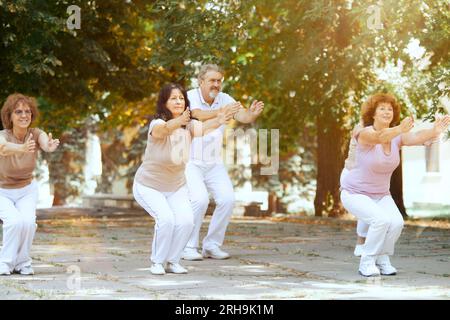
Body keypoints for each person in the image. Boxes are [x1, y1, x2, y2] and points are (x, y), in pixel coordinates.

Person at [340, 93, 450, 277]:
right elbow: (380, 137)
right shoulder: (364, 133)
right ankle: (367, 261)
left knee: (397, 223)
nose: (386, 112)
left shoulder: (397, 137)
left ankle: (382, 258)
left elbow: (416, 136)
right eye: (381, 108)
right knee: (381, 220)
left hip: (381, 194)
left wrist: (435, 130)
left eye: (390, 109)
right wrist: (400, 128)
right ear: (372, 114)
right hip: (355, 192)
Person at [132, 83, 234, 275]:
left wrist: (220, 119)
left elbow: (203, 128)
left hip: (175, 185)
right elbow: (163, 131)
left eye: (181, 98)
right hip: (149, 185)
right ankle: (157, 262)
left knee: (187, 221)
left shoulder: (188, 125)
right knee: (166, 219)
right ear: (164, 102)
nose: (178, 101)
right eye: (173, 98)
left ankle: (173, 261)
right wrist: (179, 121)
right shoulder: (157, 123)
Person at [181, 64, 264, 261]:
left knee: (227, 200)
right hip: (191, 161)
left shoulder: (224, 98)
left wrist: (251, 114)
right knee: (199, 200)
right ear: (201, 81)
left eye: (219, 80)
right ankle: (188, 246)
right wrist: (221, 113)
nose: (216, 84)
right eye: (212, 80)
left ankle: (211, 245)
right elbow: (197, 114)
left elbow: (241, 115)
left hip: (214, 162)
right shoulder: (190, 96)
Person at [0, 93, 60, 276]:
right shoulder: (2, 135)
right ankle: (5, 262)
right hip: (2, 191)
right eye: (18, 112)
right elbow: (3, 148)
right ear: (9, 116)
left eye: (27, 111)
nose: (24, 115)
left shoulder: (35, 133)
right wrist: (22, 148)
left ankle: (23, 262)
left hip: (26, 189)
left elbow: (44, 141)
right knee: (14, 222)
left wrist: (49, 146)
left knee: (27, 223)